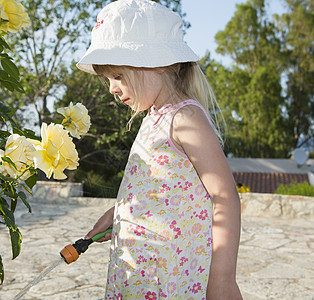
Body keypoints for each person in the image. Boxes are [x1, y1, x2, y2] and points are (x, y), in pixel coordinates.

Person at [77, 0, 242, 299]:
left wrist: (222, 278)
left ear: (157, 62)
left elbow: (224, 197)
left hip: (171, 279)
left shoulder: (184, 119)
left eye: (117, 75)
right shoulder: (153, 118)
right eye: (107, 79)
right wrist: (119, 214)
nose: (112, 88)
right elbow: (160, 193)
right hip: (142, 276)